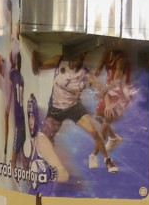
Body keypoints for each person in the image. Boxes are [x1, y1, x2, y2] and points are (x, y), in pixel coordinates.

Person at [32, 46, 115, 180]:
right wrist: (35, 58)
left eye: (83, 55)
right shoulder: (60, 61)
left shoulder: (86, 74)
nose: (80, 58)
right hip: (55, 109)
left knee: (94, 132)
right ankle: (50, 169)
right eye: (79, 54)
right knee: (45, 138)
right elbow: (40, 66)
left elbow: (102, 89)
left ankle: (107, 159)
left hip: (74, 107)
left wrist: (108, 105)